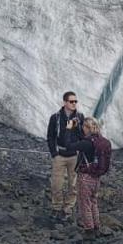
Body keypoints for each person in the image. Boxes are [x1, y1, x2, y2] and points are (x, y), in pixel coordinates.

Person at [64, 117, 111, 238]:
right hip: (96, 177)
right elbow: (83, 138)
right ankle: (96, 226)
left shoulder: (86, 143)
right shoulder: (102, 141)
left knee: (85, 203)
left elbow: (68, 145)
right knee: (93, 202)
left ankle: (89, 229)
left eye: (84, 127)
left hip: (85, 176)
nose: (83, 129)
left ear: (88, 128)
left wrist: (69, 129)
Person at [45, 91, 84, 219]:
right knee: (57, 183)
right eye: (71, 101)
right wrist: (54, 153)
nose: (74, 104)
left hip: (74, 155)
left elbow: (83, 136)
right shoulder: (55, 117)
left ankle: (68, 208)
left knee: (73, 185)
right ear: (65, 102)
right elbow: (50, 137)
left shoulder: (80, 117)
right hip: (60, 155)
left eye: (75, 101)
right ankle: (57, 206)